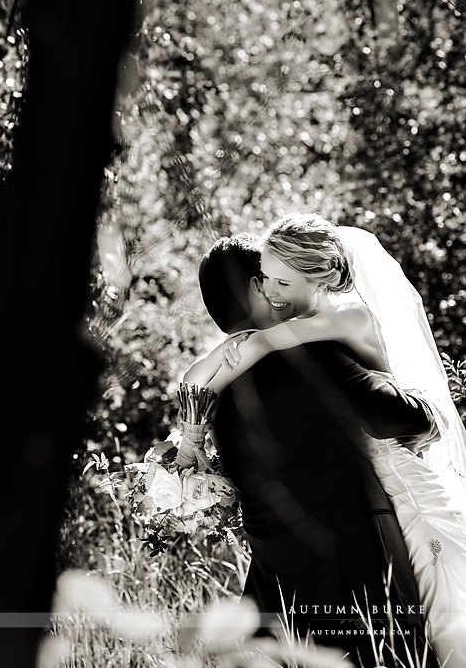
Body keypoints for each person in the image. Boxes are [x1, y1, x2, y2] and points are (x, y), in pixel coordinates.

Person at [188, 215, 466, 666]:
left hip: (275, 581)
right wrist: (432, 415)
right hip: (354, 571)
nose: (277, 291)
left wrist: (186, 436)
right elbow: (394, 417)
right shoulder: (311, 355)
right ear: (255, 287)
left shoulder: (218, 390)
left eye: (283, 279)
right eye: (268, 279)